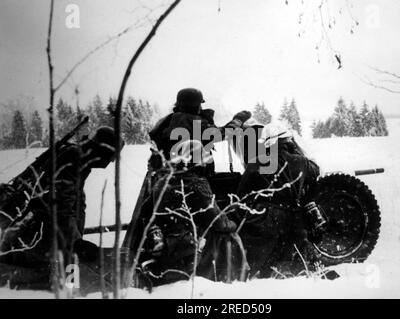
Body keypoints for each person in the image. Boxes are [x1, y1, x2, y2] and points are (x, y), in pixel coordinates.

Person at [0, 127, 124, 289]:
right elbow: (59, 208)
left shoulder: (77, 158)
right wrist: (76, 243)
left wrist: (75, 240)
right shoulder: (73, 159)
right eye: (113, 156)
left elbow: (74, 205)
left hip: (28, 233)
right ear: (103, 151)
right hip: (33, 238)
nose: (112, 161)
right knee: (45, 283)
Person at [136, 140, 238, 285]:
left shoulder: (162, 182)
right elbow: (218, 222)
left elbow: (145, 212)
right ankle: (225, 280)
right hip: (188, 247)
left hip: (167, 244)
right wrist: (233, 222)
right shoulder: (197, 183)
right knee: (227, 236)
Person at [233, 123, 325, 277]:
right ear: (287, 141)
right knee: (303, 268)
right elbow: (316, 173)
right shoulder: (301, 161)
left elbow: (241, 194)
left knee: (257, 272)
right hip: (293, 223)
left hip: (263, 221)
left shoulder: (256, 161)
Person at [149, 88, 251, 169]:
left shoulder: (167, 120)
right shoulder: (192, 120)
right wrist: (238, 119)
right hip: (192, 176)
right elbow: (223, 133)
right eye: (199, 104)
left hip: (168, 174)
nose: (201, 107)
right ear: (195, 105)